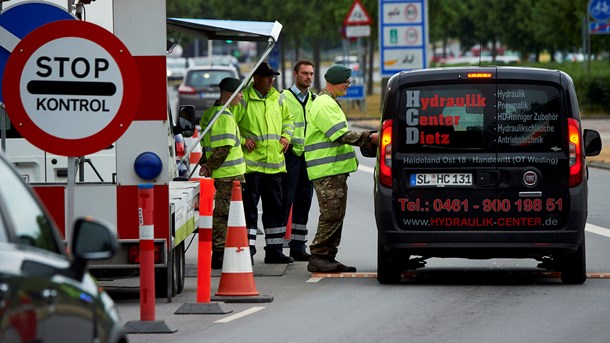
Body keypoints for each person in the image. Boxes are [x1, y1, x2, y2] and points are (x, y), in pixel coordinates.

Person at [304, 65, 379, 273]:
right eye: (346, 81)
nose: (348, 85)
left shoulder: (328, 102)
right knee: (331, 215)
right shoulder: (324, 103)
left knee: (335, 214)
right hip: (327, 170)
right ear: (336, 82)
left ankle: (328, 256)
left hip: (333, 170)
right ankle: (319, 255)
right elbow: (340, 134)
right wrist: (370, 137)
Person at [233, 62, 295, 264]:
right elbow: (229, 124)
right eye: (267, 77)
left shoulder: (278, 98)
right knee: (249, 211)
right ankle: (247, 251)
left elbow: (289, 120)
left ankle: (274, 251)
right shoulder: (244, 100)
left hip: (275, 166)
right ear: (256, 79)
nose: (271, 81)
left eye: (273, 77)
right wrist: (243, 140)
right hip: (252, 167)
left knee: (275, 209)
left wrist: (286, 135)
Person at [198, 77, 246, 269]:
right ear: (229, 94)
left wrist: (205, 163)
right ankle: (219, 253)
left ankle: (220, 251)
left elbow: (206, 144)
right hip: (229, 174)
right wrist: (209, 166)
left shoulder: (211, 113)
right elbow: (223, 148)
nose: (241, 97)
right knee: (224, 215)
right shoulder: (224, 117)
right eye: (239, 93)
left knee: (222, 214)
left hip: (223, 174)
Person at [280, 60, 316, 261]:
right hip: (289, 155)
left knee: (304, 202)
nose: (308, 77)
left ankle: (298, 246)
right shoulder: (283, 98)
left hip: (307, 158)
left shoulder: (314, 99)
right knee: (285, 200)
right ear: (295, 74)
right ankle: (275, 247)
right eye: (304, 73)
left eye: (311, 74)